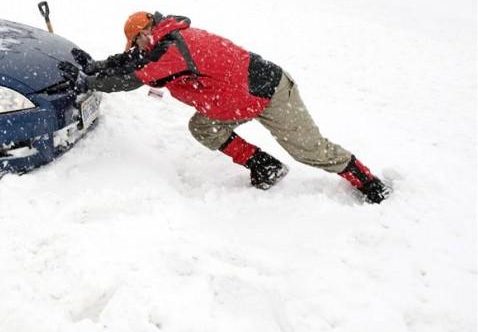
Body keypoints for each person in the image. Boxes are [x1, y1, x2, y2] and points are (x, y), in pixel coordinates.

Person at [72, 11, 390, 203]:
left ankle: (369, 184)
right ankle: (266, 167)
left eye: (136, 42)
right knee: (203, 127)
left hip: (269, 92)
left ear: (144, 34)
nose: (136, 49)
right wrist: (94, 66)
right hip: (235, 100)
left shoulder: (175, 48)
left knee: (310, 150)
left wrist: (89, 83)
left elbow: (133, 77)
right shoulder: (164, 42)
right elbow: (132, 61)